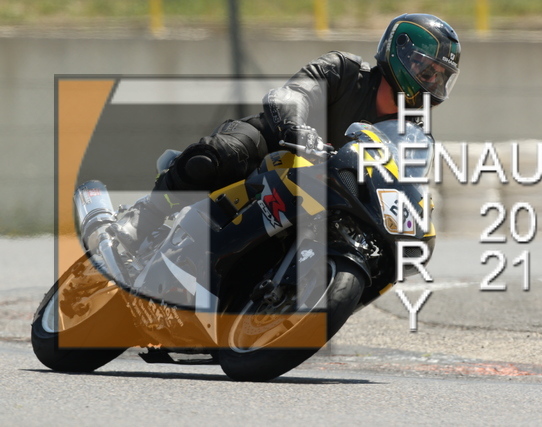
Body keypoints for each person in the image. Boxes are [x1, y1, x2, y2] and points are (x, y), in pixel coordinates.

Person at [112, 13, 461, 253]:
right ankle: (145, 216)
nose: (432, 81)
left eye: (440, 76)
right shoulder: (345, 70)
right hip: (273, 146)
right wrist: (297, 128)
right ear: (399, 54)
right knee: (217, 154)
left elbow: (405, 186)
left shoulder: (414, 135)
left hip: (327, 195)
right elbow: (292, 95)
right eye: (427, 69)